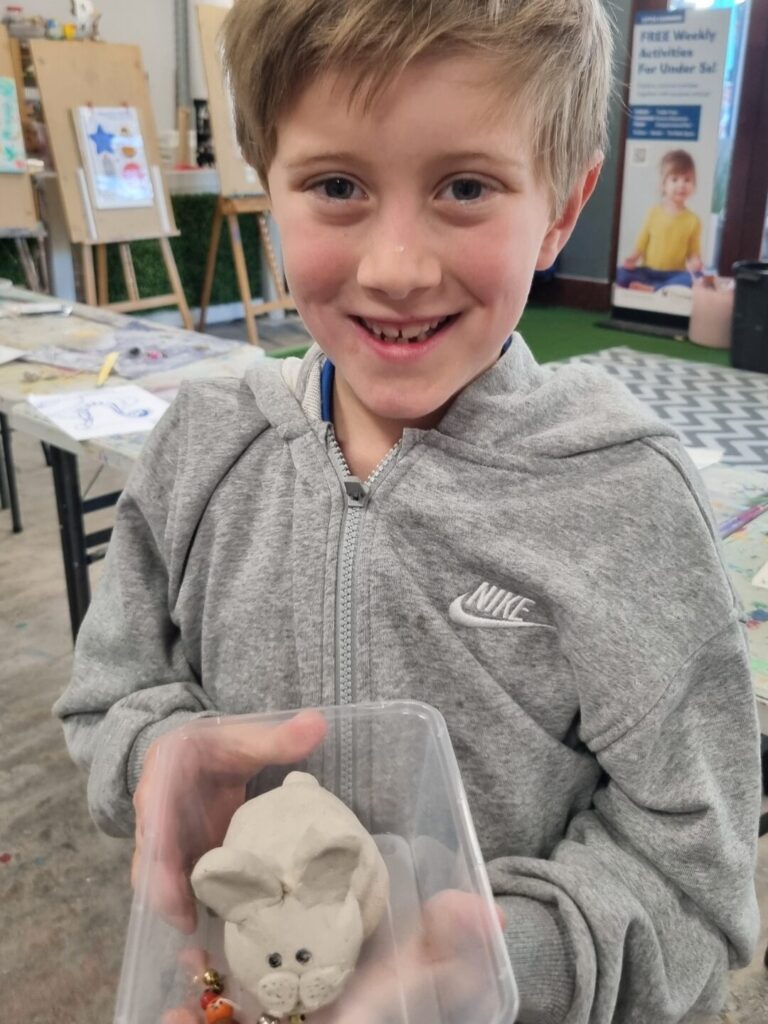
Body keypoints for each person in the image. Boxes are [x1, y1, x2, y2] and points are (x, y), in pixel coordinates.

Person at [53, 2, 761, 1022]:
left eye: (465, 187)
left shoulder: (620, 500)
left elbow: (699, 878)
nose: (396, 268)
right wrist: (156, 756)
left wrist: (497, 964)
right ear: (268, 178)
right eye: (336, 186)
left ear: (562, 204)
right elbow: (106, 692)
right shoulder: (206, 448)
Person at [616, 149, 704, 291]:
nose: (681, 185)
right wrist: (633, 258)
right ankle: (657, 287)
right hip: (648, 271)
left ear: (693, 185)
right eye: (674, 179)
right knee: (620, 273)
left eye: (687, 180)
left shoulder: (693, 220)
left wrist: (696, 262)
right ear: (664, 184)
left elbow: (694, 251)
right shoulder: (654, 212)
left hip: (674, 274)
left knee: (697, 278)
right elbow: (642, 241)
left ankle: (654, 288)